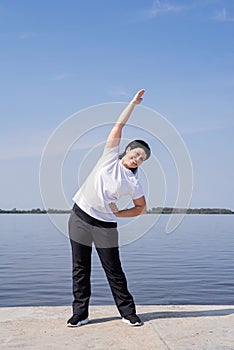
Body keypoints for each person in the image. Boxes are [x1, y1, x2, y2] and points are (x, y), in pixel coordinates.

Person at [67, 89, 151, 327]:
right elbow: (118, 125)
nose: (137, 159)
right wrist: (133, 103)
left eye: (141, 159)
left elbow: (141, 208)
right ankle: (80, 314)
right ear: (127, 151)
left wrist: (120, 214)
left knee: (114, 270)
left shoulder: (134, 182)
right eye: (136, 154)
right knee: (80, 268)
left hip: (106, 225)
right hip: (80, 218)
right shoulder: (109, 157)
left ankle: (127, 312)